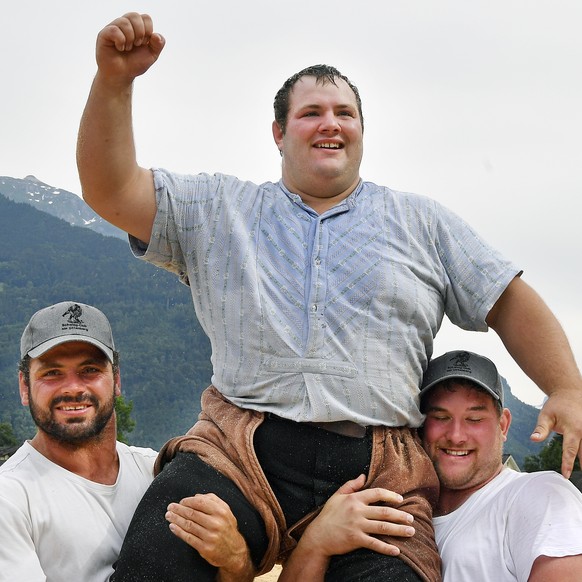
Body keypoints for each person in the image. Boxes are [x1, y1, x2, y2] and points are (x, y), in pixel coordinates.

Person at [76, 12, 582, 581]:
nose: (330, 124)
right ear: (278, 133)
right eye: (311, 112)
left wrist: (566, 386)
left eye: (345, 113)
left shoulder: (422, 222)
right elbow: (112, 190)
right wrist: (114, 82)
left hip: (379, 470)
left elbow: (506, 298)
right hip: (237, 453)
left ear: (362, 130)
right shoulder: (218, 208)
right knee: (157, 559)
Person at [268, 350, 582, 581]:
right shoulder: (385, 507)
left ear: (503, 425)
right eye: (440, 417)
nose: (456, 435)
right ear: (417, 426)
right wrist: (316, 543)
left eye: (474, 419)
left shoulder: (540, 497)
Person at [0, 301, 249, 582]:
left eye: (90, 370)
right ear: (24, 386)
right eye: (52, 373)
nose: (73, 387)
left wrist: (235, 561)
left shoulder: (155, 471)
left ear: (116, 380)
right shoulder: (10, 498)